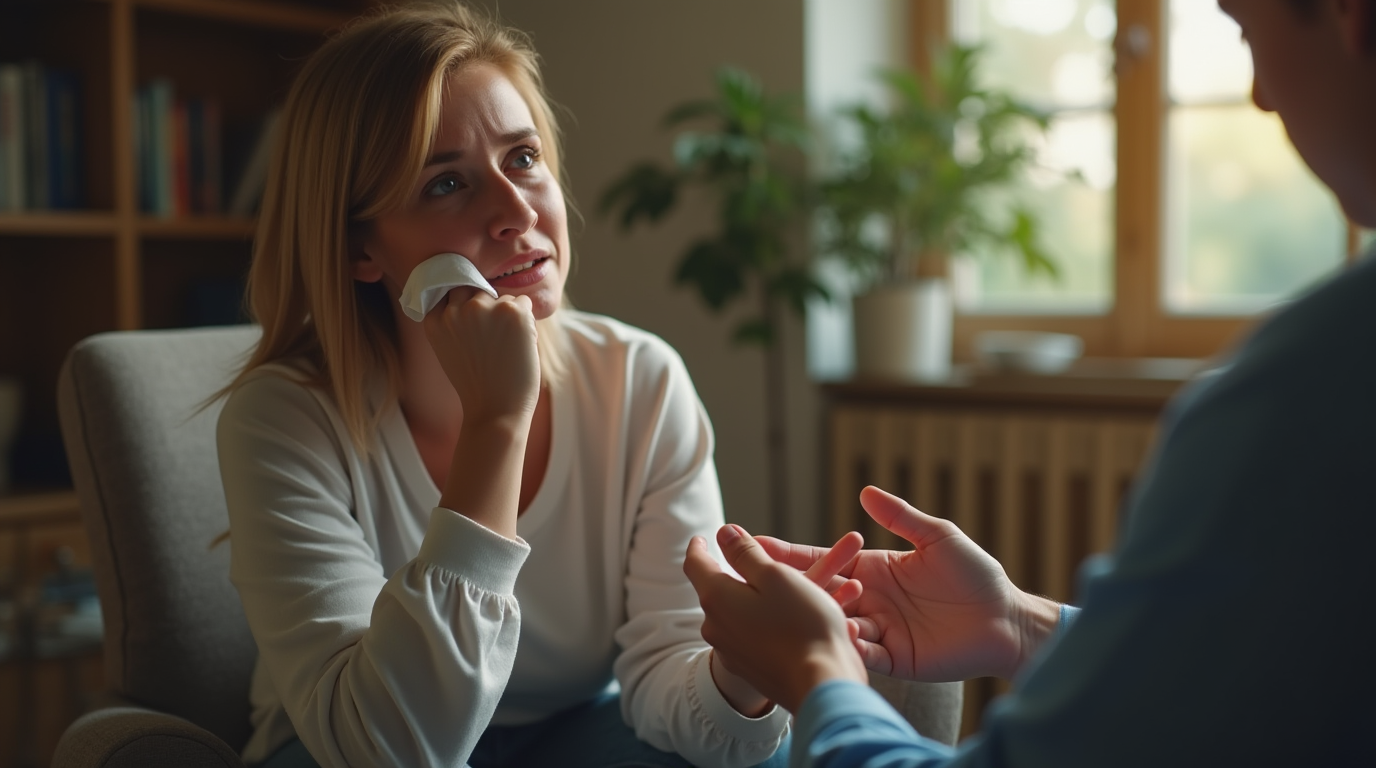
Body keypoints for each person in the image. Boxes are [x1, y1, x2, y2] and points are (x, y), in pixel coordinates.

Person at [684, 0, 1376, 765]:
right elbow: (1264, 677)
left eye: (1247, 31)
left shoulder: (1310, 387)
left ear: (1348, 16)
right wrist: (1019, 622)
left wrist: (819, 675)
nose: (1261, 96)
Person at [214, 4, 793, 767]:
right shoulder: (284, 419)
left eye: (523, 159)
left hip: (573, 731)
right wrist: (497, 421)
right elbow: (387, 748)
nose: (517, 212)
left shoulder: (638, 381)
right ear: (360, 248)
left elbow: (666, 675)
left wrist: (742, 675)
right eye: (446, 183)